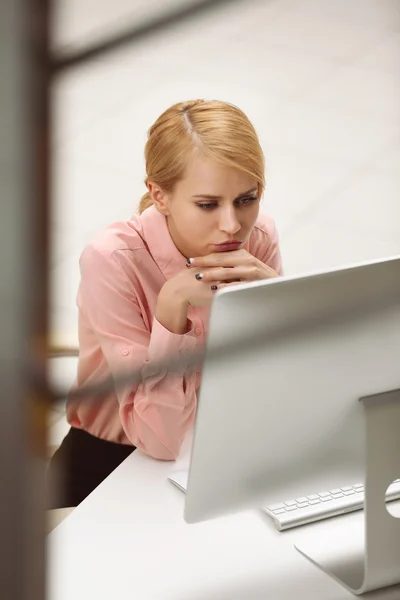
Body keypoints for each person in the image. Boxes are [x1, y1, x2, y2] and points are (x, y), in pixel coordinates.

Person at [47, 99, 283, 508]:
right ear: (159, 195)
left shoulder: (258, 236)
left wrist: (277, 300)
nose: (233, 225)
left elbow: (275, 379)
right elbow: (160, 437)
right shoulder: (112, 259)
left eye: (247, 198)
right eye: (207, 204)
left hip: (220, 441)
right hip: (110, 460)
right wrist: (172, 309)